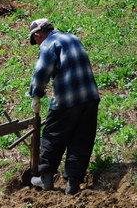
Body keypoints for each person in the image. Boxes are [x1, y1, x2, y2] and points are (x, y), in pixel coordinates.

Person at [27, 18, 100, 195]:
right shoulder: (72, 38)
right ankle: (73, 184)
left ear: (38, 35)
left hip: (67, 100)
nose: (37, 43)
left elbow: (41, 72)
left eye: (34, 40)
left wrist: (36, 95)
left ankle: (45, 179)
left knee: (53, 136)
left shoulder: (48, 44)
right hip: (90, 98)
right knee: (81, 140)